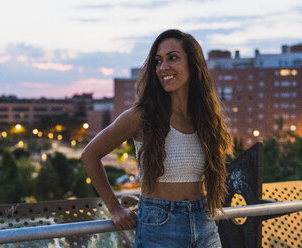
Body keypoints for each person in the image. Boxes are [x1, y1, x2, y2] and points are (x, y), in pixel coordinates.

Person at [81, 29, 232, 248]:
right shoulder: (142, 116)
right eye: (158, 61)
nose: (163, 67)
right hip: (160, 225)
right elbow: (90, 155)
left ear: (193, 63)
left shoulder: (205, 117)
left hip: (204, 220)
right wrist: (114, 208)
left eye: (173, 58)